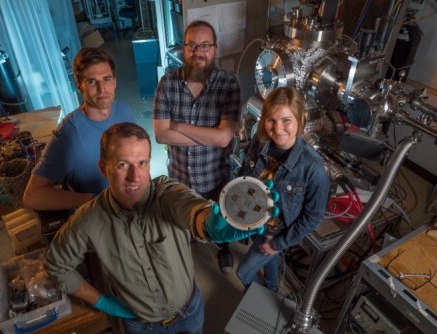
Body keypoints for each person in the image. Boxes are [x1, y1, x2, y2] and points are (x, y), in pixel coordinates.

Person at [45, 122, 262, 334]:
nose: (135, 177)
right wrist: (103, 302)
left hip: (190, 312)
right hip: (141, 326)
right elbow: (56, 266)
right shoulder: (88, 220)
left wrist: (209, 225)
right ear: (103, 168)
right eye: (123, 164)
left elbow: (192, 208)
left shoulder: (167, 193)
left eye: (142, 163)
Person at [153, 20, 240, 274]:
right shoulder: (167, 84)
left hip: (215, 178)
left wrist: (178, 126)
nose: (198, 51)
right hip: (179, 178)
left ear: (215, 49)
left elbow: (224, 139)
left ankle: (222, 247)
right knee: (182, 224)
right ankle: (186, 247)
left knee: (220, 222)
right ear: (183, 49)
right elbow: (160, 135)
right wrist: (209, 135)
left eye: (205, 45)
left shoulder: (228, 85)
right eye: (192, 45)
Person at [235, 87, 330, 293]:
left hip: (277, 233)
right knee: (269, 259)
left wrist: (278, 244)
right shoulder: (259, 142)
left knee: (243, 273)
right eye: (271, 119)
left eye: (286, 120)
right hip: (255, 222)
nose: (278, 128)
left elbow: (313, 216)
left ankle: (257, 299)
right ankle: (272, 289)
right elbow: (244, 175)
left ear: (299, 120)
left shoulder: (313, 167)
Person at [23, 47, 134, 211]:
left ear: (115, 81)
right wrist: (96, 199)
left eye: (106, 79)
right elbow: (32, 197)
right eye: (91, 81)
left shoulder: (124, 110)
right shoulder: (69, 134)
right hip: (99, 215)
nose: (102, 89)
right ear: (80, 85)